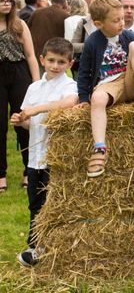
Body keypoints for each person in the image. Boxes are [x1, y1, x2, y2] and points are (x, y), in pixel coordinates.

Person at [11, 38, 78, 267]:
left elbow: (69, 103)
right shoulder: (33, 87)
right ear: (42, 60)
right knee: (35, 203)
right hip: (35, 157)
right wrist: (21, 121)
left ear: (70, 63)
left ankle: (51, 246)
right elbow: (32, 123)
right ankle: (34, 246)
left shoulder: (68, 86)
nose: (55, 66)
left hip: (54, 156)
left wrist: (36, 109)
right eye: (51, 60)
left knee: (53, 203)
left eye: (61, 62)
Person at [76, 0, 134, 178]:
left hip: (131, 81)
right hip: (109, 84)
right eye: (116, 20)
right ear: (98, 24)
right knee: (97, 98)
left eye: (122, 18)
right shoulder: (92, 42)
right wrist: (83, 99)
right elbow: (84, 73)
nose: (122, 23)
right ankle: (99, 148)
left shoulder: (128, 35)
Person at [0, 0, 40, 193]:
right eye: (1, 1)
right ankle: (1, 175)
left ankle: (28, 170)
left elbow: (31, 55)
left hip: (19, 72)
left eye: (8, 1)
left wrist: (36, 84)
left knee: (23, 121)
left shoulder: (19, 24)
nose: (5, 4)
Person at [27, 0, 69, 71]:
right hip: (55, 55)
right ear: (64, 2)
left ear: (51, 0)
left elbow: (27, 30)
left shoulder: (36, 12)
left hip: (36, 53)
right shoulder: (65, 16)